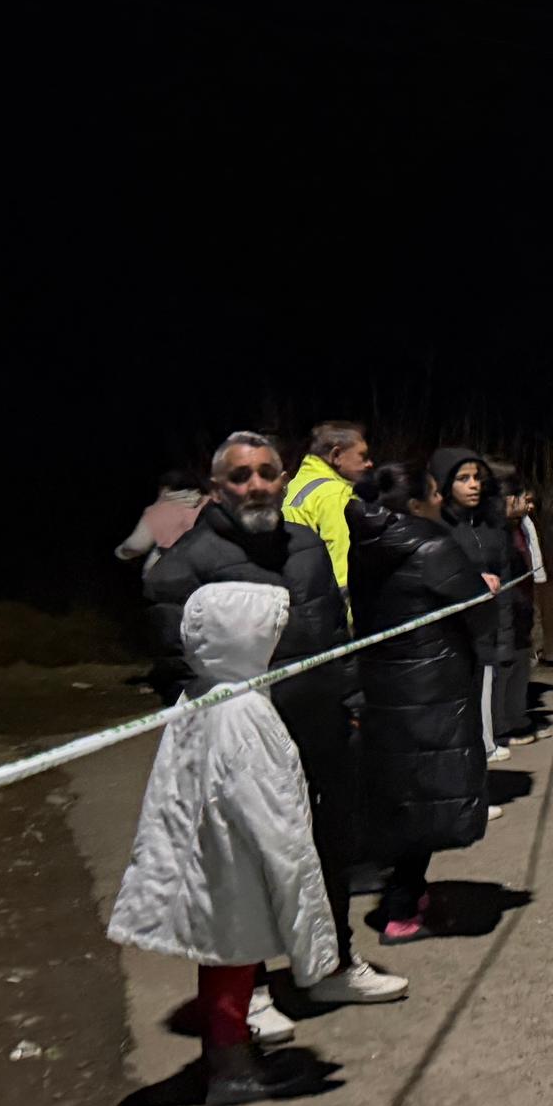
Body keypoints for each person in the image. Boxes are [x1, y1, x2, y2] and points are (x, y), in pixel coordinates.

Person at [145, 432, 401, 1017]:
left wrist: (353, 702)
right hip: (246, 748)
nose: (256, 484)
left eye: (267, 472)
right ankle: (250, 992)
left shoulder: (308, 546)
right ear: (217, 488)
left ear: (284, 479)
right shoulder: (182, 570)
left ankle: (331, 965)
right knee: (245, 870)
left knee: (329, 852)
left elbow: (338, 636)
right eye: (241, 476)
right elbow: (176, 672)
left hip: (320, 731)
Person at [107, 583, 340, 1106]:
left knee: (223, 959)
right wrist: (306, 909)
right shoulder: (243, 713)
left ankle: (228, 1052)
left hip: (212, 855)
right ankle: (230, 1067)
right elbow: (270, 808)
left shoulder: (208, 691)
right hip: (236, 861)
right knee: (234, 960)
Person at [346, 460, 493, 944]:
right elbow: (475, 606)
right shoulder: (430, 543)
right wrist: (486, 588)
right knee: (429, 792)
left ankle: (407, 888)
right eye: (433, 491)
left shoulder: (367, 543)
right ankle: (400, 905)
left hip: (386, 681)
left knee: (405, 790)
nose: (440, 498)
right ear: (415, 503)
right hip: (431, 684)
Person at [430, 448, 517, 759]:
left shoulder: (491, 526)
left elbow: (504, 583)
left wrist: (505, 635)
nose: (473, 485)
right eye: (463, 478)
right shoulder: (436, 527)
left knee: (485, 694)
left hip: (485, 631)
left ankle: (484, 748)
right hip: (449, 637)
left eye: (477, 477)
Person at [282, 421, 373, 590]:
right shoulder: (335, 495)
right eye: (363, 456)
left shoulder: (297, 485)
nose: (369, 464)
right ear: (336, 455)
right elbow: (343, 567)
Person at [488, 461, 541, 743]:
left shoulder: (519, 527)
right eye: (522, 498)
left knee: (520, 661)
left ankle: (516, 717)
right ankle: (500, 724)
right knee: (503, 669)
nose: (527, 505)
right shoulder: (495, 532)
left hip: (522, 603)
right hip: (505, 607)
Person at [115, 468, 205, 573]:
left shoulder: (160, 511)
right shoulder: (210, 501)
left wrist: (121, 552)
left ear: (165, 489)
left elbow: (136, 545)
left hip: (175, 575)